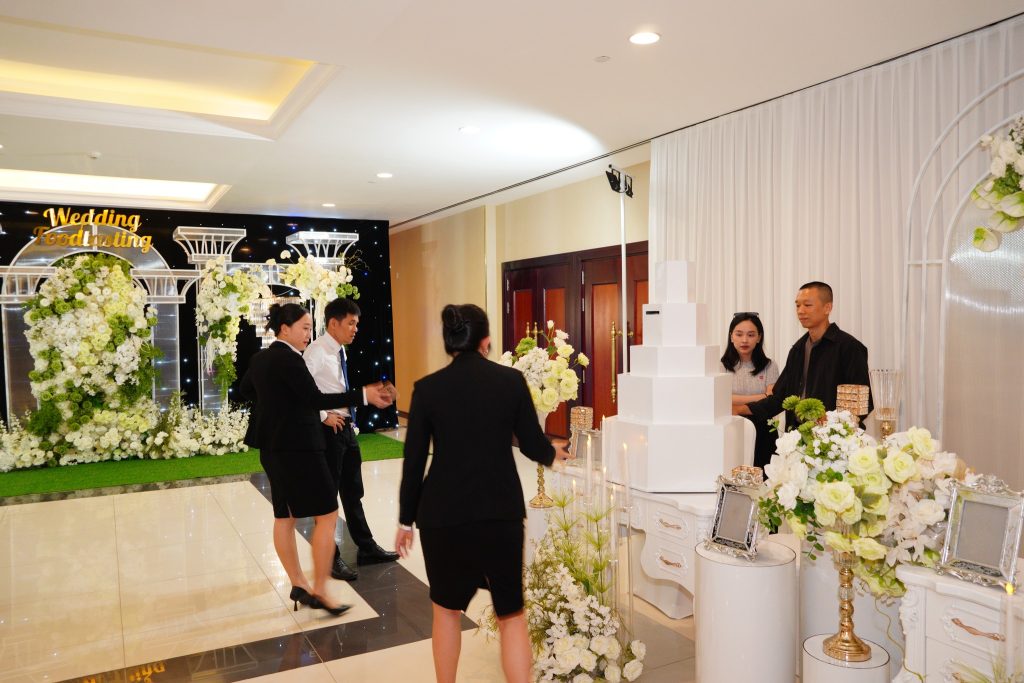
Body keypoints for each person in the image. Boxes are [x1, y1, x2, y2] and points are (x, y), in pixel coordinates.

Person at [394, 304, 570, 683]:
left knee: (446, 611)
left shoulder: (427, 389)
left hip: (442, 516)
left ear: (450, 342)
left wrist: (405, 521)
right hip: (499, 512)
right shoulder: (510, 381)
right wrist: (552, 453)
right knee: (511, 614)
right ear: (486, 341)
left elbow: (414, 463)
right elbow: (531, 443)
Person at [239, 303, 360, 616]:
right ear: (285, 329)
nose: (309, 334)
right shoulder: (290, 359)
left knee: (285, 516)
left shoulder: (261, 358)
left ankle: (299, 583)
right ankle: (320, 591)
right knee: (328, 513)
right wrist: (362, 396)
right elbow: (315, 399)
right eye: (304, 328)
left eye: (309, 328)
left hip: (272, 448)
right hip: (299, 448)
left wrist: (276, 405)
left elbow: (244, 390)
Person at [304, 297, 399, 581]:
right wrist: (323, 416)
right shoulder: (316, 351)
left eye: (357, 324)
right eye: (351, 323)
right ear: (334, 323)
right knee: (327, 498)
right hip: (329, 431)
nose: (355, 329)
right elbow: (303, 392)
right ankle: (330, 557)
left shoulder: (339, 351)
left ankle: (366, 547)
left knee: (353, 491)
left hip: (346, 429)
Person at [741, 282, 872, 430]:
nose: (800, 311)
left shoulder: (849, 347)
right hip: (798, 435)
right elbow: (780, 398)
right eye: (797, 306)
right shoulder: (798, 349)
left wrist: (831, 422)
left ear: (827, 308)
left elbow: (863, 402)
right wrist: (740, 409)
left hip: (833, 437)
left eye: (807, 305)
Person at [721, 312, 779, 469]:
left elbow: (772, 399)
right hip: (731, 427)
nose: (744, 340)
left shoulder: (769, 366)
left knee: (764, 476)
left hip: (763, 429)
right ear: (731, 336)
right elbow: (721, 399)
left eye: (751, 335)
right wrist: (762, 396)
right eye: (739, 334)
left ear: (759, 337)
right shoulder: (720, 366)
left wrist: (734, 399)